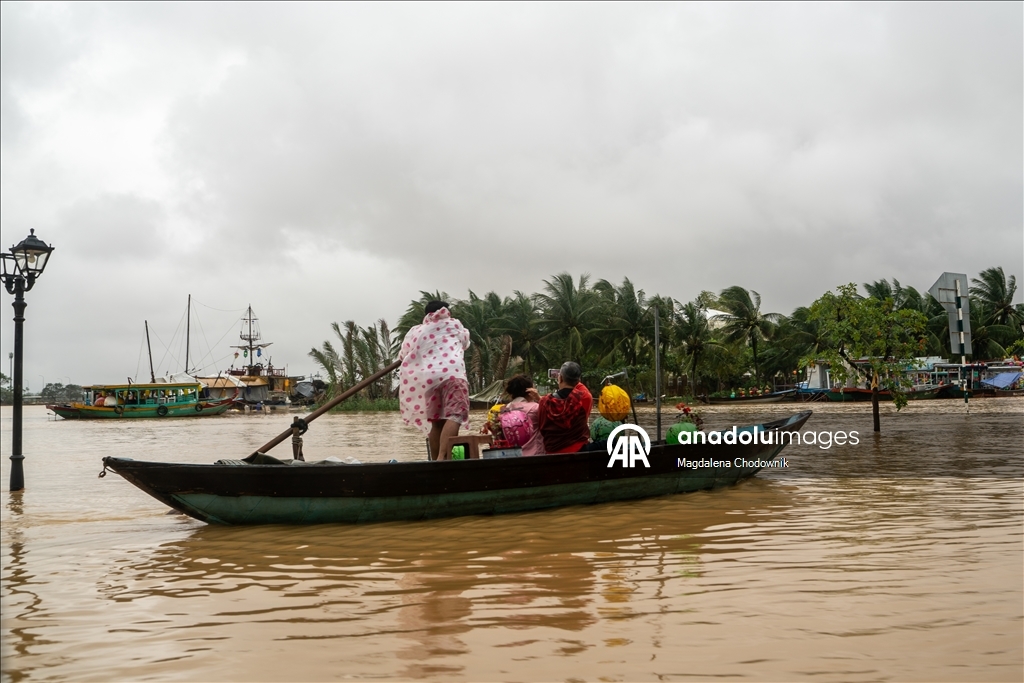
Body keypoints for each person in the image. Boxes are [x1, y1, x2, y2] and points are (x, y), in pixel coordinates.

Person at [398, 300, 471, 460]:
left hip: (430, 379)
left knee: (436, 421)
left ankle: (435, 460)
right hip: (453, 374)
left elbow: (403, 354)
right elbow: (465, 342)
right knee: (455, 415)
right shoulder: (455, 325)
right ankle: (443, 459)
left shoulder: (417, 331)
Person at [537, 361, 592, 453]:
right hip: (579, 450)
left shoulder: (545, 401)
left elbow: (541, 427)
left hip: (553, 452)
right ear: (578, 381)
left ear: (560, 378)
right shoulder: (584, 398)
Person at [500, 374, 545, 455]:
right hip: (536, 455)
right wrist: (540, 399)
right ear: (530, 391)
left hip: (513, 456)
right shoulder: (535, 408)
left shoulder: (505, 410)